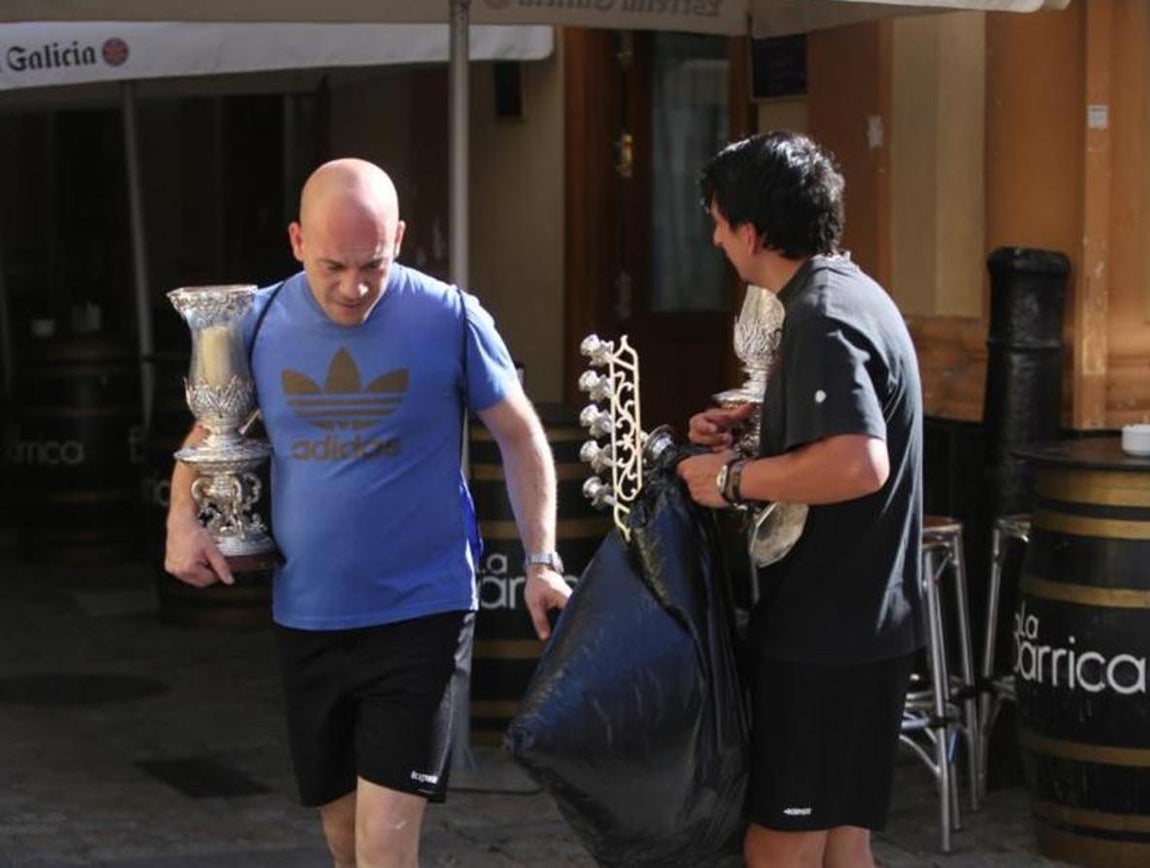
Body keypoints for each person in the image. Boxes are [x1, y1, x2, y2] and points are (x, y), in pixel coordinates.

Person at [164, 158, 571, 868]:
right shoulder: (253, 320)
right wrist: (181, 523)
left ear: (401, 239)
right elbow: (209, 433)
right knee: (344, 840)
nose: (354, 287)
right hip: (311, 614)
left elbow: (520, 434)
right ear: (296, 241)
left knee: (385, 847)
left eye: (373, 265)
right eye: (333, 266)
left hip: (422, 611)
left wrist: (541, 560)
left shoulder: (449, 316)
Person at [677, 132, 924, 868]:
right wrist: (759, 429)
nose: (716, 239)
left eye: (719, 223)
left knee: (780, 847)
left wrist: (729, 481)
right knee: (843, 844)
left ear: (752, 232)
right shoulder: (848, 290)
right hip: (866, 622)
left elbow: (856, 461)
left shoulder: (819, 314)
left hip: (828, 628)